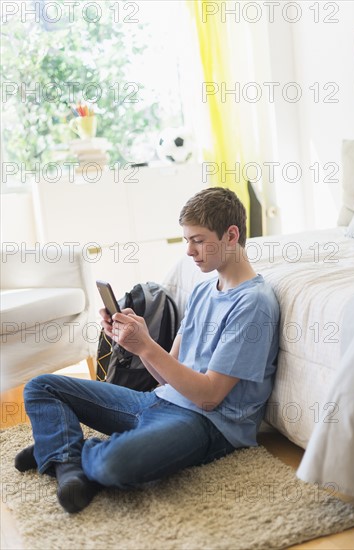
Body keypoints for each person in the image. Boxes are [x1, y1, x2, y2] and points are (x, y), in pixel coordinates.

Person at [15, 187, 279, 514]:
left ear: (231, 234)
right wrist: (133, 344)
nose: (189, 251)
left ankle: (59, 450)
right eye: (186, 240)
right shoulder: (201, 291)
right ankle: (66, 461)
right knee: (42, 387)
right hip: (159, 401)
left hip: (206, 423)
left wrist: (147, 345)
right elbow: (169, 375)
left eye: (198, 240)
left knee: (110, 465)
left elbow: (208, 396)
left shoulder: (253, 304)